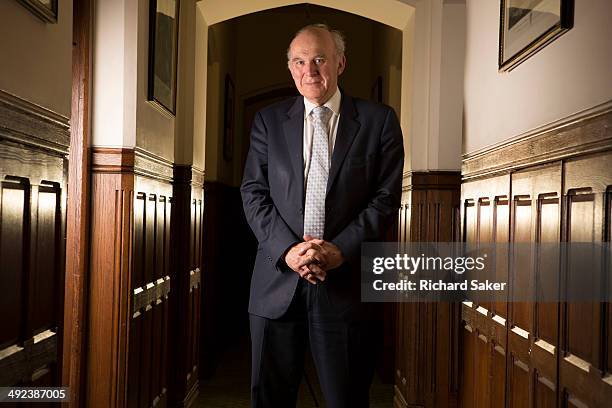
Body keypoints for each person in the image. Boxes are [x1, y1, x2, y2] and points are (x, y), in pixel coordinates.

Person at [240, 23, 404, 408]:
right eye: (299, 61)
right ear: (290, 68)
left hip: (345, 285)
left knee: (345, 399)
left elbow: (385, 198)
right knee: (269, 398)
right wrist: (290, 251)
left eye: (319, 59)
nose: (309, 70)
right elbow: (253, 193)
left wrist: (338, 251)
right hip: (277, 282)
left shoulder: (378, 120)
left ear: (340, 63)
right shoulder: (268, 121)